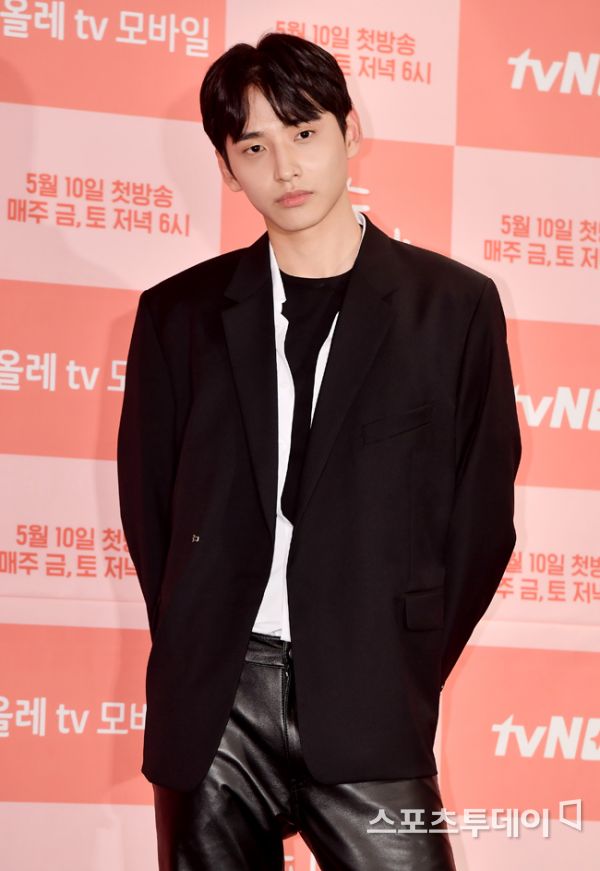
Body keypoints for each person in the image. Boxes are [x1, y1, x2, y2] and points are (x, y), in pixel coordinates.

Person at [117, 31, 521, 871]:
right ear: (228, 168)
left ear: (349, 131)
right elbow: (151, 512)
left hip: (371, 693)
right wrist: (200, 643)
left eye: (303, 132)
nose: (285, 167)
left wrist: (399, 659)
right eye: (254, 147)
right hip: (217, 705)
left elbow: (481, 522)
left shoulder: (452, 308)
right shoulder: (177, 316)